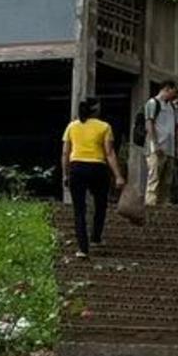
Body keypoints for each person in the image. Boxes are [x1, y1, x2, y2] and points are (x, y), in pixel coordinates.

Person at [62, 97, 126, 258]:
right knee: (100, 204)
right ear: (96, 110)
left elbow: (65, 153)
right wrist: (118, 175)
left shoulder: (72, 126)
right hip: (98, 168)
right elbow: (110, 153)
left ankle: (83, 249)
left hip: (77, 167)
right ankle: (96, 237)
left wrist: (65, 173)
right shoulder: (104, 127)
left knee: (79, 210)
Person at [145, 80, 178, 205]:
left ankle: (163, 205)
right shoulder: (153, 103)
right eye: (173, 92)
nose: (174, 95)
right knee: (154, 177)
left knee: (167, 181)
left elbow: (176, 127)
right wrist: (155, 144)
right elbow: (149, 123)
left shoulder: (172, 107)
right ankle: (150, 205)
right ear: (167, 89)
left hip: (170, 148)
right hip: (157, 147)